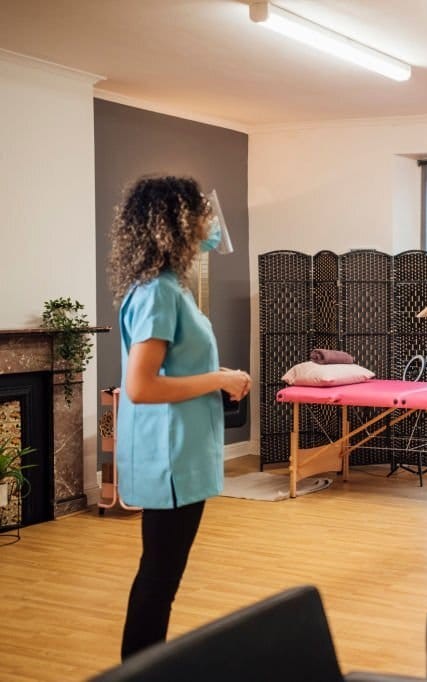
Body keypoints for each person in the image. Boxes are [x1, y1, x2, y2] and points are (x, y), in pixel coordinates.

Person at [108, 176, 251, 659]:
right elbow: (141, 386)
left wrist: (222, 377)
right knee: (158, 579)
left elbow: (178, 368)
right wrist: (219, 380)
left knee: (161, 576)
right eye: (201, 215)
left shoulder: (170, 289)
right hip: (169, 457)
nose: (210, 225)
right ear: (177, 222)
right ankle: (140, 671)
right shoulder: (158, 293)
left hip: (182, 450)